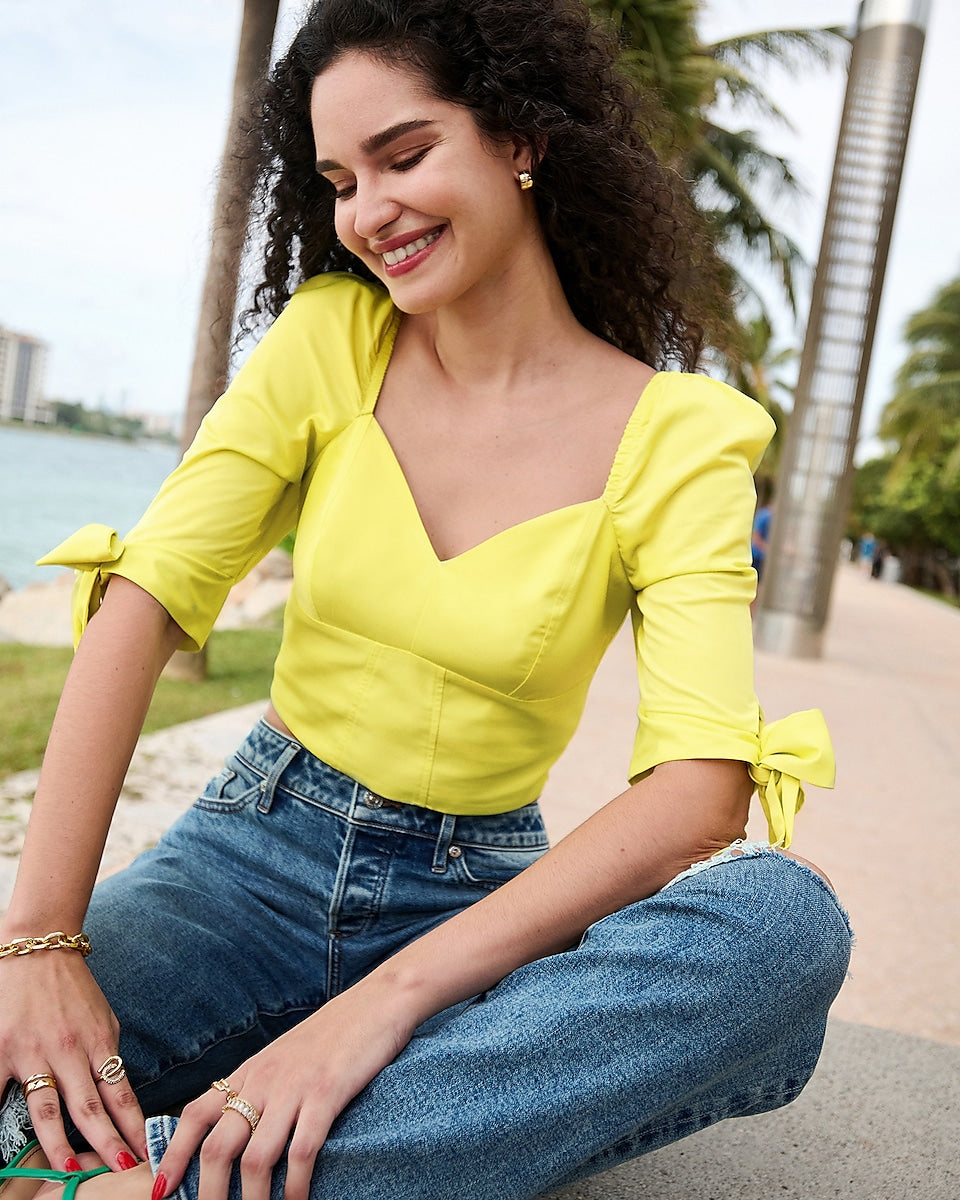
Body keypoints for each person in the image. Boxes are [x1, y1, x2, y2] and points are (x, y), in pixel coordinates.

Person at [0, 2, 851, 1199]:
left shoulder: (681, 437)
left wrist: (381, 1010)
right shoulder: (330, 341)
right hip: (244, 865)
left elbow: (700, 791)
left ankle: (162, 1178)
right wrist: (39, 944)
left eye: (405, 156)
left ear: (522, 139)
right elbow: (146, 598)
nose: (368, 213)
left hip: (475, 905)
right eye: (340, 180)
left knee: (785, 930)